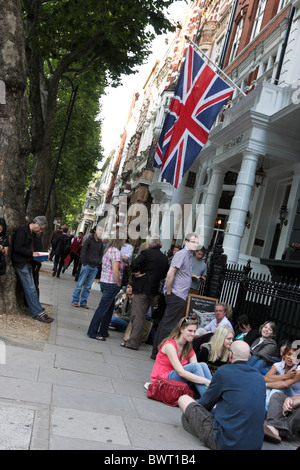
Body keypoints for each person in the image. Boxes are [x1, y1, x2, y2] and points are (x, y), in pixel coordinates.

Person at [178, 341, 266, 450]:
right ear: (249, 357)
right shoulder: (259, 378)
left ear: (231, 354)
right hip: (255, 444)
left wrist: (192, 412)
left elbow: (204, 404)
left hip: (225, 443)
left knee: (184, 401)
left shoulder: (224, 371)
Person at [151, 233, 199, 359]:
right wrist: (168, 291)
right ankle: (160, 352)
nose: (196, 244)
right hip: (176, 295)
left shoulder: (188, 256)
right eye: (193, 242)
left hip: (179, 295)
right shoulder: (182, 254)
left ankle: (157, 352)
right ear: (187, 242)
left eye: (197, 242)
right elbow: (170, 273)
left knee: (165, 324)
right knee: (168, 326)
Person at [121, 235, 169, 350]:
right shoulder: (163, 257)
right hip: (154, 290)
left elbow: (134, 264)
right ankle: (136, 340)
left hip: (142, 288)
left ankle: (133, 342)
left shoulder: (146, 254)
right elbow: (165, 273)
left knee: (137, 315)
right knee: (142, 315)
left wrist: (138, 273)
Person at [150, 317, 212, 398]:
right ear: (181, 330)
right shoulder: (169, 345)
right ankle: (208, 401)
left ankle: (214, 398)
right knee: (196, 367)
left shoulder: (188, 347)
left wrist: (208, 382)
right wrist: (206, 381)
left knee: (203, 365)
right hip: (161, 380)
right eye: (190, 331)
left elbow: (197, 369)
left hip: (176, 380)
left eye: (194, 331)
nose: (193, 334)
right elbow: (181, 372)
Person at [11, 216, 54, 323]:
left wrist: (38, 257)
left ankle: (39, 312)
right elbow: (17, 248)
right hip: (21, 263)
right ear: (35, 223)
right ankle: (38, 313)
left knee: (32, 288)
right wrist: (32, 253)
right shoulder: (22, 231)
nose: (40, 231)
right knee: (30, 288)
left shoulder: (33, 235)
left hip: (29, 263)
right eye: (40, 228)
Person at [87, 233, 125, 340]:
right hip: (111, 284)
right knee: (103, 309)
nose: (125, 241)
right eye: (124, 239)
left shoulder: (108, 250)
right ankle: (93, 332)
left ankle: (103, 331)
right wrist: (118, 284)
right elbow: (116, 271)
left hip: (105, 282)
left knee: (109, 308)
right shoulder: (116, 252)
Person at [72, 226, 103, 308]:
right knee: (80, 284)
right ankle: (75, 301)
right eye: (99, 230)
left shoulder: (100, 242)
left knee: (88, 286)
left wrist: (98, 263)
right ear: (95, 231)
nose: (101, 232)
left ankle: (83, 302)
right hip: (87, 265)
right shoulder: (89, 240)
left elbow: (101, 253)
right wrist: (84, 263)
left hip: (95, 266)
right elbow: (83, 251)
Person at [264, 342, 300, 411]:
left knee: (279, 388)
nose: (290, 358)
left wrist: (266, 384)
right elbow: (266, 378)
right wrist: (286, 376)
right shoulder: (279, 365)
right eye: (288, 354)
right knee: (268, 389)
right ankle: (265, 408)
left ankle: (266, 409)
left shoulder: (298, 369)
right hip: (281, 392)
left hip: (295, 397)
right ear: (284, 355)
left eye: (294, 356)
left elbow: (286, 384)